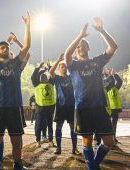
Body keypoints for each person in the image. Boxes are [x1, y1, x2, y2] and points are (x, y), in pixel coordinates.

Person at [64, 17, 118, 170]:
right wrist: (80, 36)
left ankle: (93, 165)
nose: (80, 48)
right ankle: (93, 168)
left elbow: (113, 47)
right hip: (82, 108)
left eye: (83, 46)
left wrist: (102, 30)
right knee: (87, 142)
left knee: (108, 141)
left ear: (88, 48)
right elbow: (67, 55)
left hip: (99, 106)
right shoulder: (73, 65)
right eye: (78, 47)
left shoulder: (97, 61)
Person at [0, 11, 31, 170]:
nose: (5, 48)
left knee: (16, 141)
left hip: (14, 107)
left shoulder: (16, 64)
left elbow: (27, 47)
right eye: (2, 47)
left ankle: (18, 165)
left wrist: (28, 25)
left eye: (7, 46)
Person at [49, 54, 80, 155]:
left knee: (73, 128)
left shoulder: (71, 77)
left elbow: (77, 70)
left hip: (71, 106)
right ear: (59, 68)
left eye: (65, 66)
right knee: (58, 127)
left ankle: (74, 148)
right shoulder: (57, 78)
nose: (64, 68)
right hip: (60, 106)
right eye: (62, 67)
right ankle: (58, 148)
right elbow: (50, 71)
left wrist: (74, 58)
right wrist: (58, 59)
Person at [31, 61, 56, 148]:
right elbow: (33, 76)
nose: (44, 76)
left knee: (50, 125)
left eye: (45, 75)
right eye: (42, 75)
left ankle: (50, 140)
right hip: (40, 108)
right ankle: (38, 140)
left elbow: (52, 73)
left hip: (49, 108)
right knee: (38, 125)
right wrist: (38, 67)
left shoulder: (51, 83)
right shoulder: (37, 84)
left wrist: (49, 66)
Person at [105, 69, 123, 146]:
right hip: (108, 108)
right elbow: (109, 81)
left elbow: (120, 81)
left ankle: (113, 138)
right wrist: (110, 75)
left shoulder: (116, 87)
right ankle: (99, 138)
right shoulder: (106, 87)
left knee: (114, 124)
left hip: (115, 108)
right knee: (106, 124)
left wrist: (114, 74)